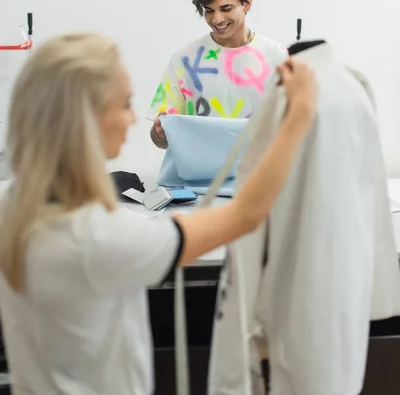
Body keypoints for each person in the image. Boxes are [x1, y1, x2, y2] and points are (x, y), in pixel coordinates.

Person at [0, 33, 316, 395]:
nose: (135, 118)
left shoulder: (13, 203)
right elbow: (246, 214)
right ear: (85, 119)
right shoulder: (95, 237)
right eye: (126, 103)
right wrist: (299, 116)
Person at [148, 0, 288, 149]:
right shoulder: (185, 60)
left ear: (247, 3)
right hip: (199, 174)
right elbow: (160, 139)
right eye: (209, 10)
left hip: (261, 174)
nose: (217, 19)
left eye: (226, 8)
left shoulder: (278, 58)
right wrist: (161, 134)